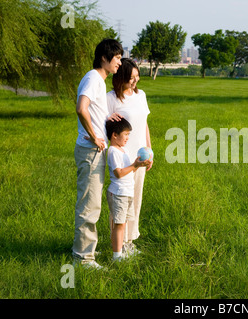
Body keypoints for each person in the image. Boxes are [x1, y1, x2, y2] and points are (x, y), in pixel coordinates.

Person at [72, 39, 123, 269]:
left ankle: (86, 248)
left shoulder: (97, 80)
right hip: (91, 150)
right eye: (118, 58)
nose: (120, 63)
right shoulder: (93, 78)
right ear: (104, 57)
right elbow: (81, 108)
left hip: (94, 151)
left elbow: (90, 111)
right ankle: (83, 257)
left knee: (92, 204)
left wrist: (104, 120)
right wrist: (94, 136)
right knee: (89, 205)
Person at [107, 58, 153, 256]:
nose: (135, 81)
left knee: (135, 200)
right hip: (123, 158)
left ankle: (130, 242)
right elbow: (104, 124)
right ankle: (119, 244)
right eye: (130, 78)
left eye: (137, 77)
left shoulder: (140, 95)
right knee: (120, 202)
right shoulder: (111, 98)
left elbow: (144, 124)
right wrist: (107, 119)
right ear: (120, 78)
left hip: (140, 157)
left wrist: (150, 151)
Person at [105, 118, 148, 261]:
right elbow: (118, 173)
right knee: (119, 224)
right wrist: (134, 165)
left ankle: (120, 251)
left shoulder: (123, 150)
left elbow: (128, 171)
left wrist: (138, 165)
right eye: (125, 134)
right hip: (118, 193)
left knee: (122, 223)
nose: (128, 138)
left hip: (127, 193)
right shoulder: (113, 151)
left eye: (129, 134)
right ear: (114, 135)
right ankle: (116, 256)